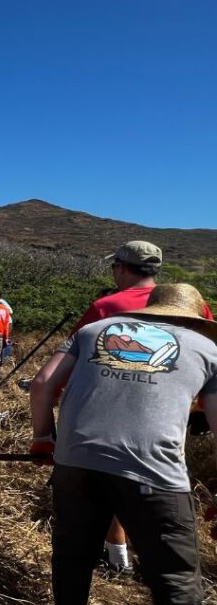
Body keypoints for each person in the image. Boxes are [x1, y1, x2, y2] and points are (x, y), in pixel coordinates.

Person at [29, 283, 217, 605]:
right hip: (155, 475)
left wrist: (44, 437)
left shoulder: (96, 330)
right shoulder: (208, 350)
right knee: (176, 576)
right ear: (194, 318)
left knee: (73, 557)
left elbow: (43, 384)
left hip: (76, 462)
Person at [72, 241, 214, 574]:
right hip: (179, 409)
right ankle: (160, 558)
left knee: (113, 480)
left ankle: (117, 550)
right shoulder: (192, 306)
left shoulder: (107, 306)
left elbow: (74, 360)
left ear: (121, 267)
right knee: (162, 479)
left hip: (112, 411)